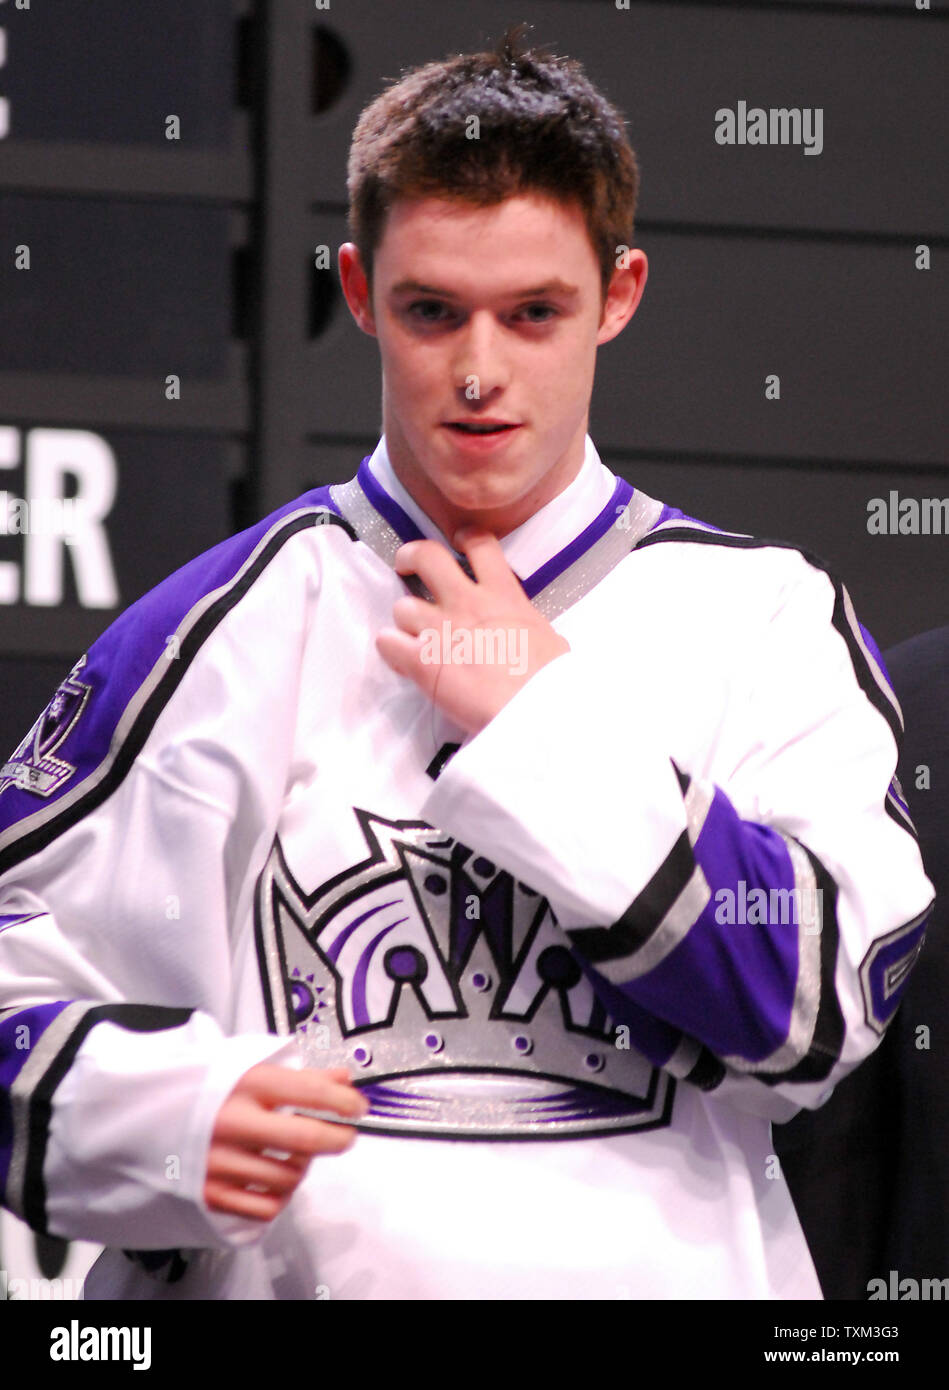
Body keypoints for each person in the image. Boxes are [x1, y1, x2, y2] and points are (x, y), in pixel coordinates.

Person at [0, 29, 934, 1300]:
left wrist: (540, 726)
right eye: (433, 310)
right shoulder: (216, 628)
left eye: (533, 312)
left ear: (619, 293)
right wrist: (149, 1114)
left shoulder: (760, 620)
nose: (480, 371)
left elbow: (819, 1012)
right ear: (358, 290)